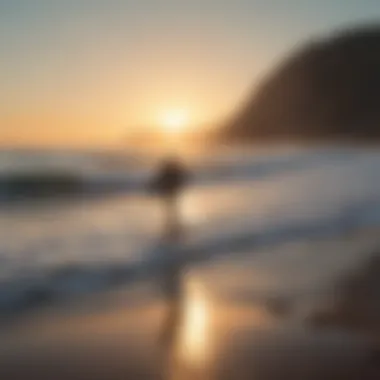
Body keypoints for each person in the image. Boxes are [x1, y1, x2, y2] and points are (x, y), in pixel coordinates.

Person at [149, 157, 189, 240]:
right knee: (171, 213)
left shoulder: (169, 173)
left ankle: (173, 230)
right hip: (170, 195)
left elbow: (159, 181)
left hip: (169, 195)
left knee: (171, 213)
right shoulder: (171, 173)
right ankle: (173, 229)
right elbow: (159, 181)